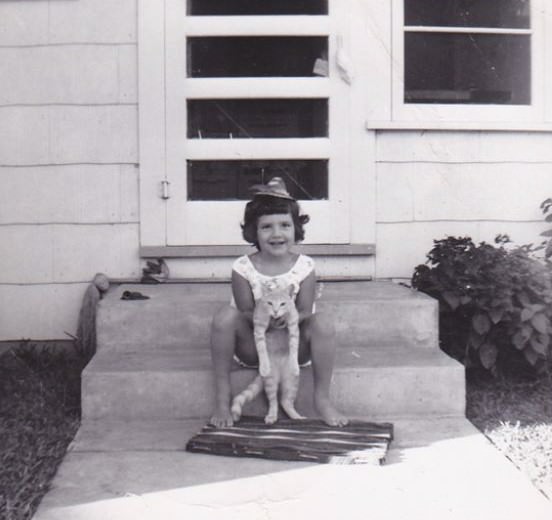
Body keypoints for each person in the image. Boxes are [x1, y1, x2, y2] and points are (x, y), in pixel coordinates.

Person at [209, 177, 348, 428]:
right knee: (224, 318)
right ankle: (221, 399)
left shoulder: (305, 266)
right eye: (266, 227)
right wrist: (266, 318)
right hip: (257, 346)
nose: (276, 234)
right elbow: (244, 310)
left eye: (285, 225)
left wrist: (291, 317)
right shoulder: (243, 267)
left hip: (292, 350)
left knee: (324, 322)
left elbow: (305, 309)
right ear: (254, 231)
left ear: (296, 229)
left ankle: (322, 398)